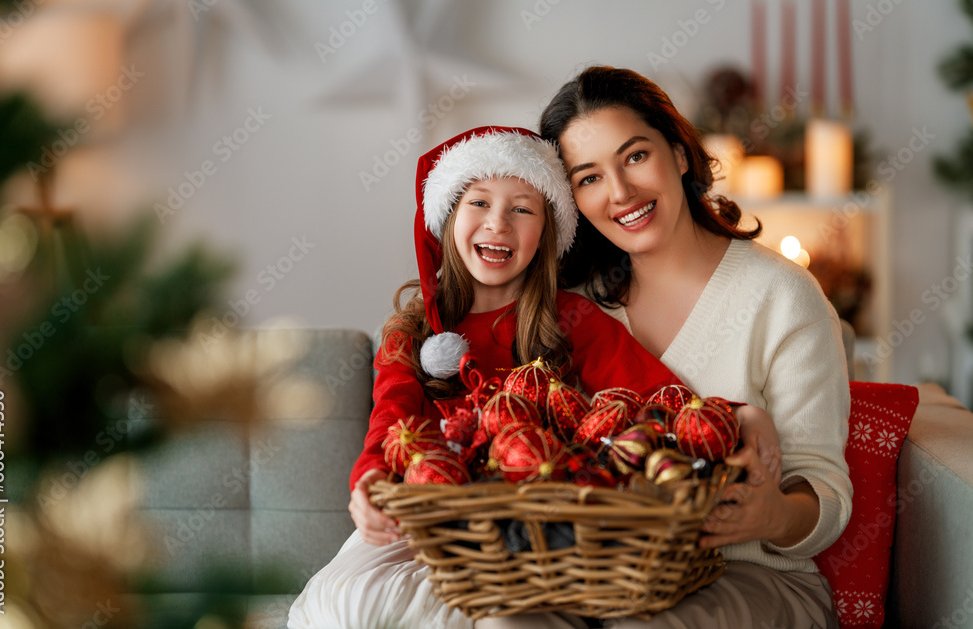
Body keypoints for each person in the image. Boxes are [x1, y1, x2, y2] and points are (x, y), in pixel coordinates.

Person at [290, 126, 725, 629]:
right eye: (478, 202)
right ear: (448, 217)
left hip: (532, 534)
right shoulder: (410, 331)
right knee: (354, 610)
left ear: (546, 232)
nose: (498, 224)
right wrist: (367, 483)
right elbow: (391, 419)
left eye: (522, 209)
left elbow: (660, 397)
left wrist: (740, 417)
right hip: (425, 524)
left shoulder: (570, 320)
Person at [472, 67, 852, 628]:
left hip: (747, 575)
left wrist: (771, 516)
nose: (621, 193)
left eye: (634, 157)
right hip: (593, 571)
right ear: (571, 198)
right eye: (589, 177)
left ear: (678, 153)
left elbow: (825, 492)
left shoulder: (781, 295)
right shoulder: (571, 308)